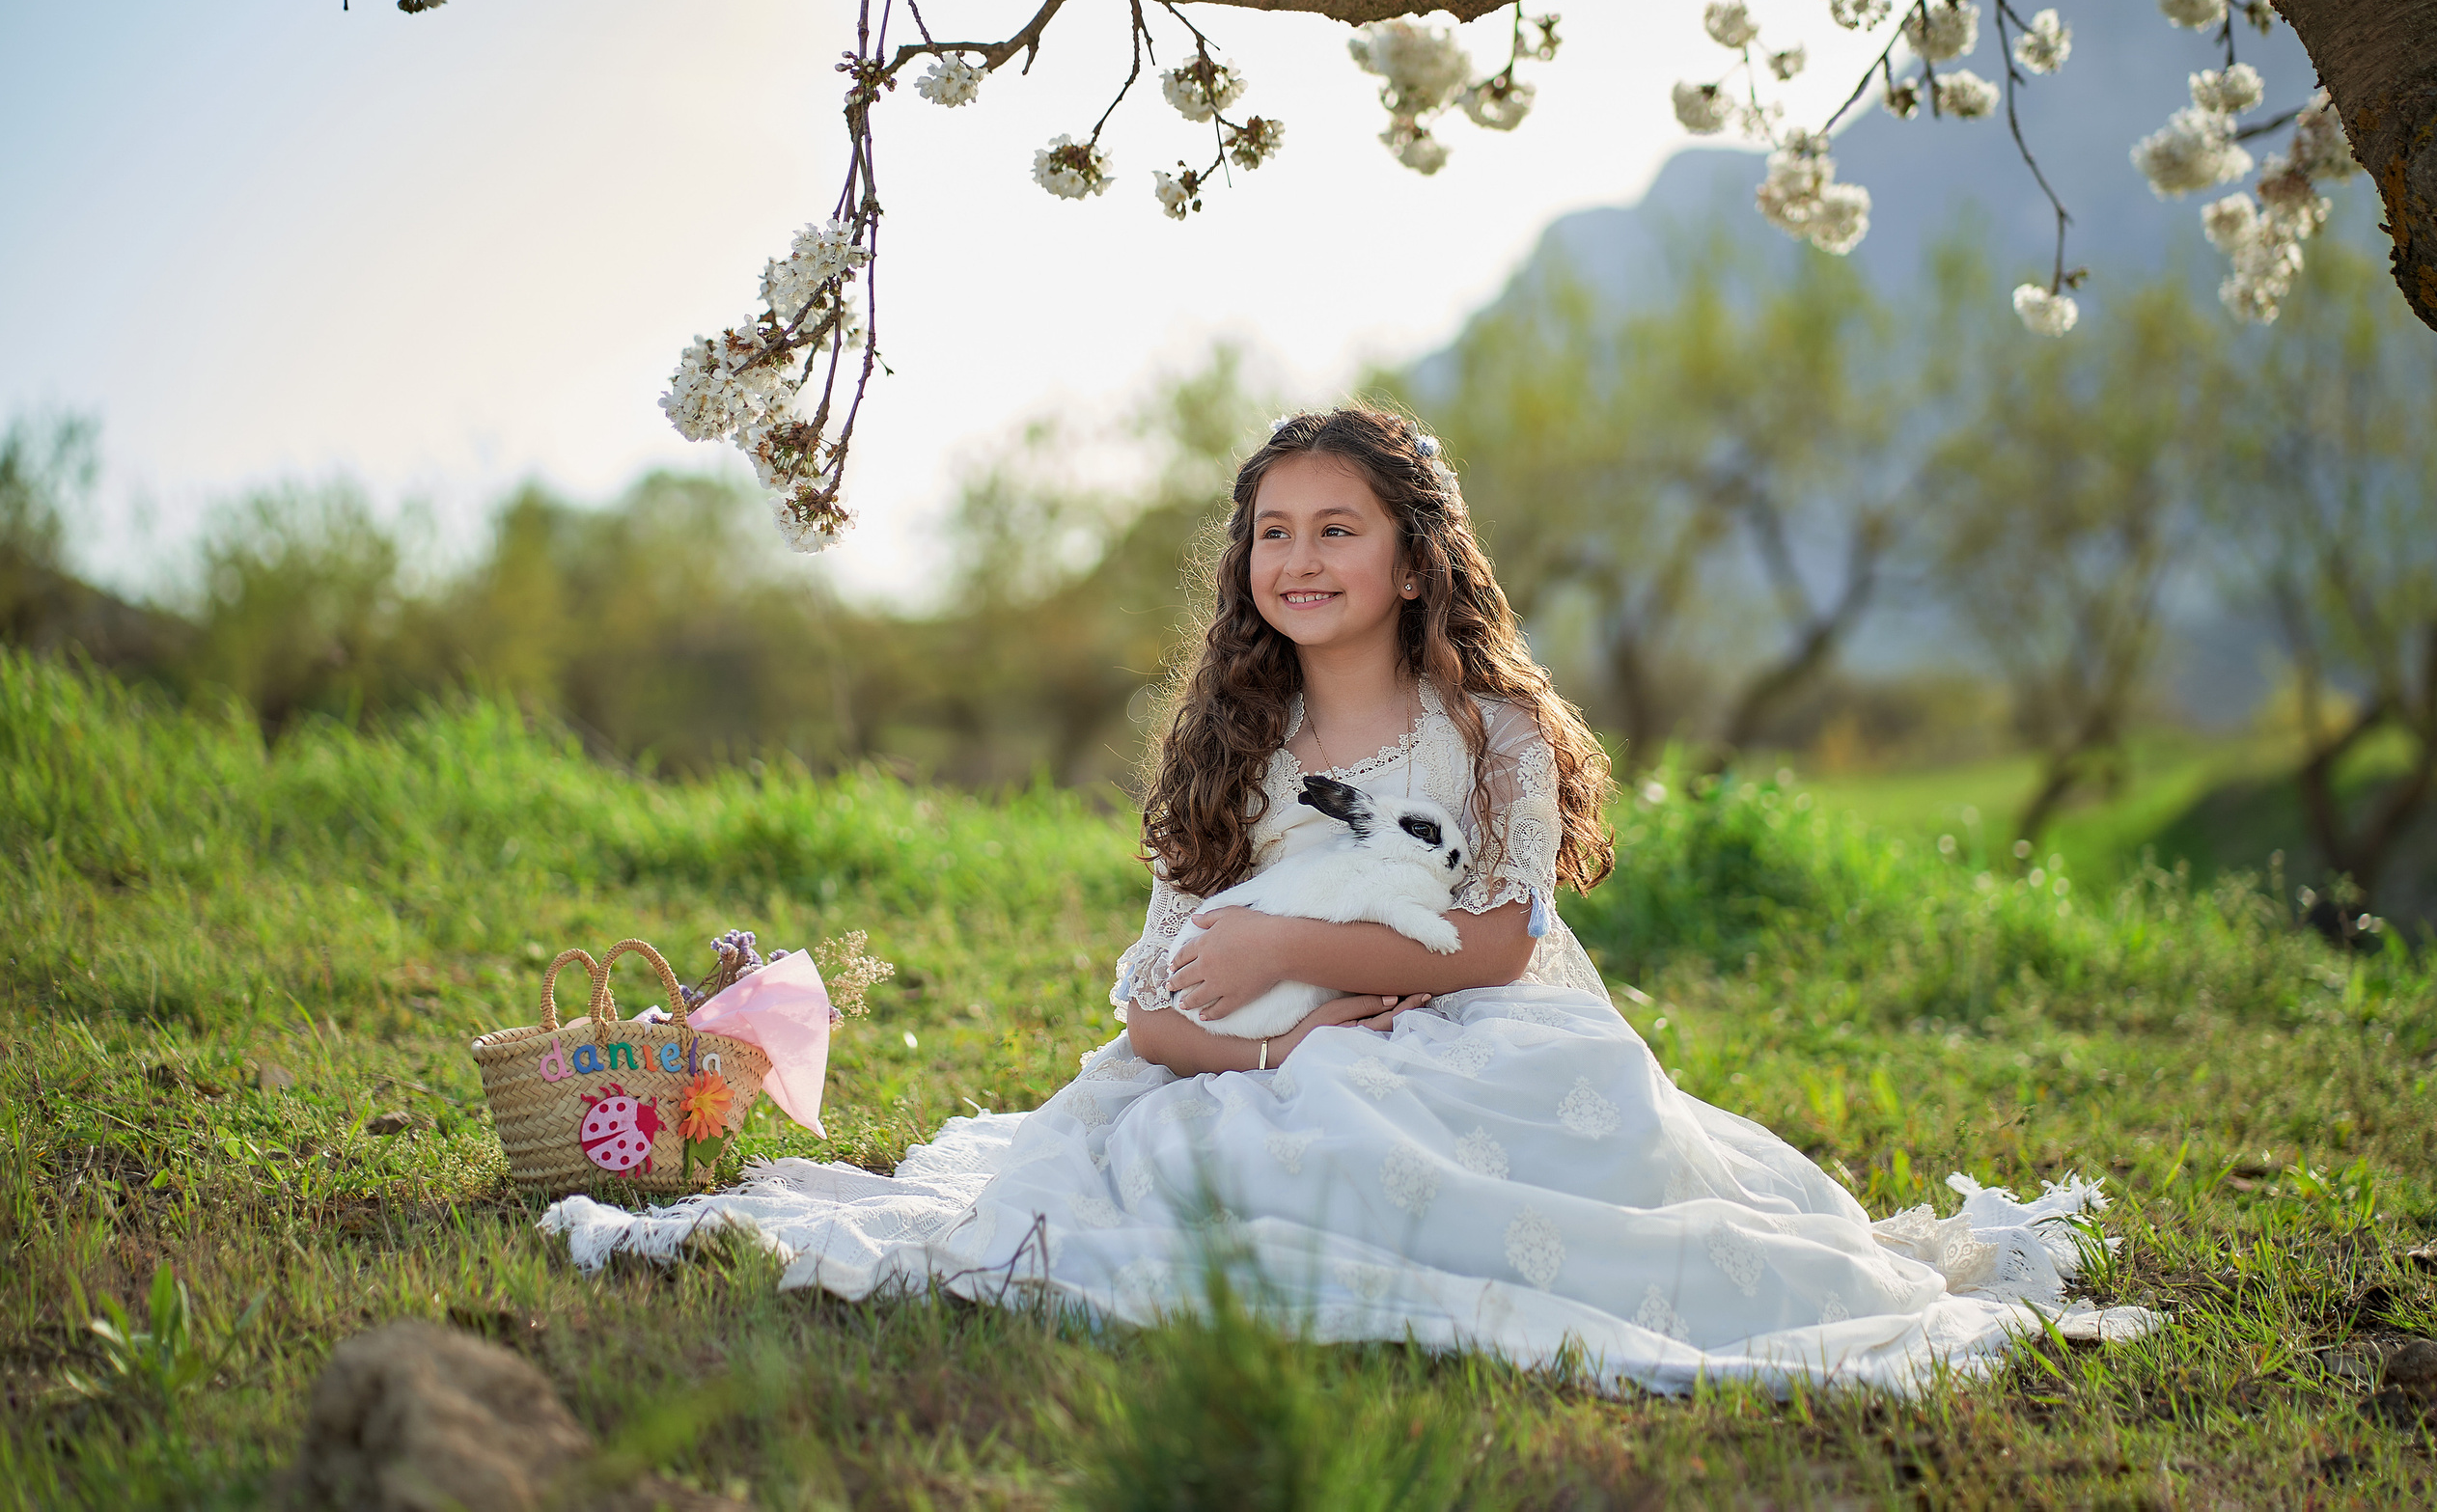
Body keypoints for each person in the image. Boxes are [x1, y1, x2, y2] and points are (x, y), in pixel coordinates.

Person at [544, 407, 2150, 1393]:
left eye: (1339, 531)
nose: (1301, 558)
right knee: (1233, 1138)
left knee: (1556, 1094)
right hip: (1259, 1048)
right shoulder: (1236, 739)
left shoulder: (1490, 728)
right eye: (1274, 532)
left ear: (1409, 557)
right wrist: (1266, 1044)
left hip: (1470, 1021)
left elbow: (1509, 942)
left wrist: (1301, 946)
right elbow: (1159, 993)